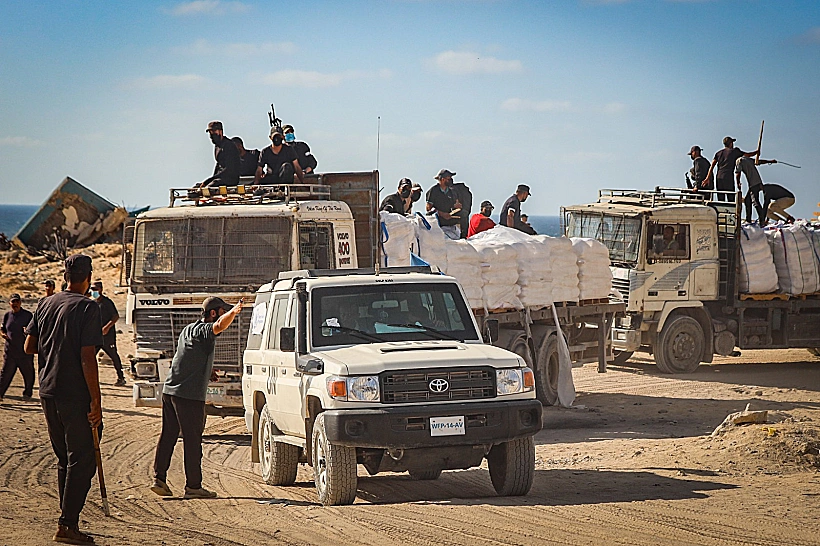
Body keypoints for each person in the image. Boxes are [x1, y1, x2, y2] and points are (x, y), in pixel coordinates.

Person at [24, 254, 103, 545]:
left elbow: (29, 345)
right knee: (82, 459)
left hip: (48, 391)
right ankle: (67, 524)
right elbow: (87, 357)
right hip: (74, 393)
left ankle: (67, 519)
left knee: (64, 458)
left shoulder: (46, 303)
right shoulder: (88, 307)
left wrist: (52, 344)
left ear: (65, 275)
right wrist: (96, 401)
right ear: (88, 276)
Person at [151, 296, 244, 499]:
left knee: (168, 435)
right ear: (213, 313)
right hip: (188, 395)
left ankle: (159, 479)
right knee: (193, 440)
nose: (224, 315)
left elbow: (187, 355)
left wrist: (207, 370)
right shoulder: (205, 330)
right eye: (222, 311)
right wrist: (235, 312)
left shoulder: (188, 330)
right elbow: (219, 325)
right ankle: (193, 487)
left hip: (171, 391)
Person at [91, 281, 126, 387]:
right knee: (90, 357)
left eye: (95, 289)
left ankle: (121, 377)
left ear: (101, 289)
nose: (94, 292)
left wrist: (107, 327)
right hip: (96, 336)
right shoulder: (93, 303)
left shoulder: (107, 303)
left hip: (108, 337)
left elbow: (115, 316)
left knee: (114, 356)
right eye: (92, 290)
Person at [0, 294, 35, 402]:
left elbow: (34, 331)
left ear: (20, 303)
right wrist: (2, 334)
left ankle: (27, 393)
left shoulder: (28, 315)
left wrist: (27, 332)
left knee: (28, 374)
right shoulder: (7, 315)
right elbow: (2, 328)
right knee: (5, 374)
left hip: (24, 352)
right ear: (9, 303)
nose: (15, 304)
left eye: (17, 301)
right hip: (10, 351)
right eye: (13, 302)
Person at [704, 137, 759, 202]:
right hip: (728, 177)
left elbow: (712, 165)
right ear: (730, 143)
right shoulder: (734, 151)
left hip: (719, 177)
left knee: (721, 199)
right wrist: (756, 152)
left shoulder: (718, 153)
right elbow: (747, 155)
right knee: (731, 198)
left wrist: (707, 178)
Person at [735, 156, 777, 224]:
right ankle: (749, 219)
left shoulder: (739, 160)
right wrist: (770, 161)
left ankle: (761, 220)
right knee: (747, 200)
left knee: (755, 202)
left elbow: (738, 173)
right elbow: (760, 161)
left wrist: (738, 183)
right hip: (758, 182)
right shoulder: (748, 159)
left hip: (753, 184)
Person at [201, 121, 241, 188]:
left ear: (220, 131)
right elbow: (218, 165)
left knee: (209, 187)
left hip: (230, 179)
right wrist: (212, 178)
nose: (212, 134)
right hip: (219, 178)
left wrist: (209, 181)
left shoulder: (229, 145)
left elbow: (229, 168)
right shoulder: (217, 146)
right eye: (210, 132)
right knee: (197, 187)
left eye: (214, 131)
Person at [426, 169, 463, 239]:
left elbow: (453, 205)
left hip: (451, 225)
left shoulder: (451, 192)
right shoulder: (434, 191)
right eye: (448, 178)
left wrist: (456, 207)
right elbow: (428, 208)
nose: (451, 180)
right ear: (442, 179)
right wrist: (442, 214)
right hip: (439, 226)